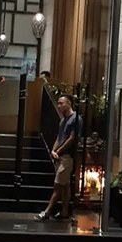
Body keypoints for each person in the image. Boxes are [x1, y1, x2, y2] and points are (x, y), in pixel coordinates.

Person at [35, 94, 82, 222]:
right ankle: (65, 212)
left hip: (67, 156)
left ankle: (47, 212)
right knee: (65, 185)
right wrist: (53, 150)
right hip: (60, 156)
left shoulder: (76, 119)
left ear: (69, 103)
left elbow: (72, 139)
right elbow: (59, 137)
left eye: (62, 103)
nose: (59, 105)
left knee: (58, 185)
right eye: (59, 103)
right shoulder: (63, 121)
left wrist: (59, 150)